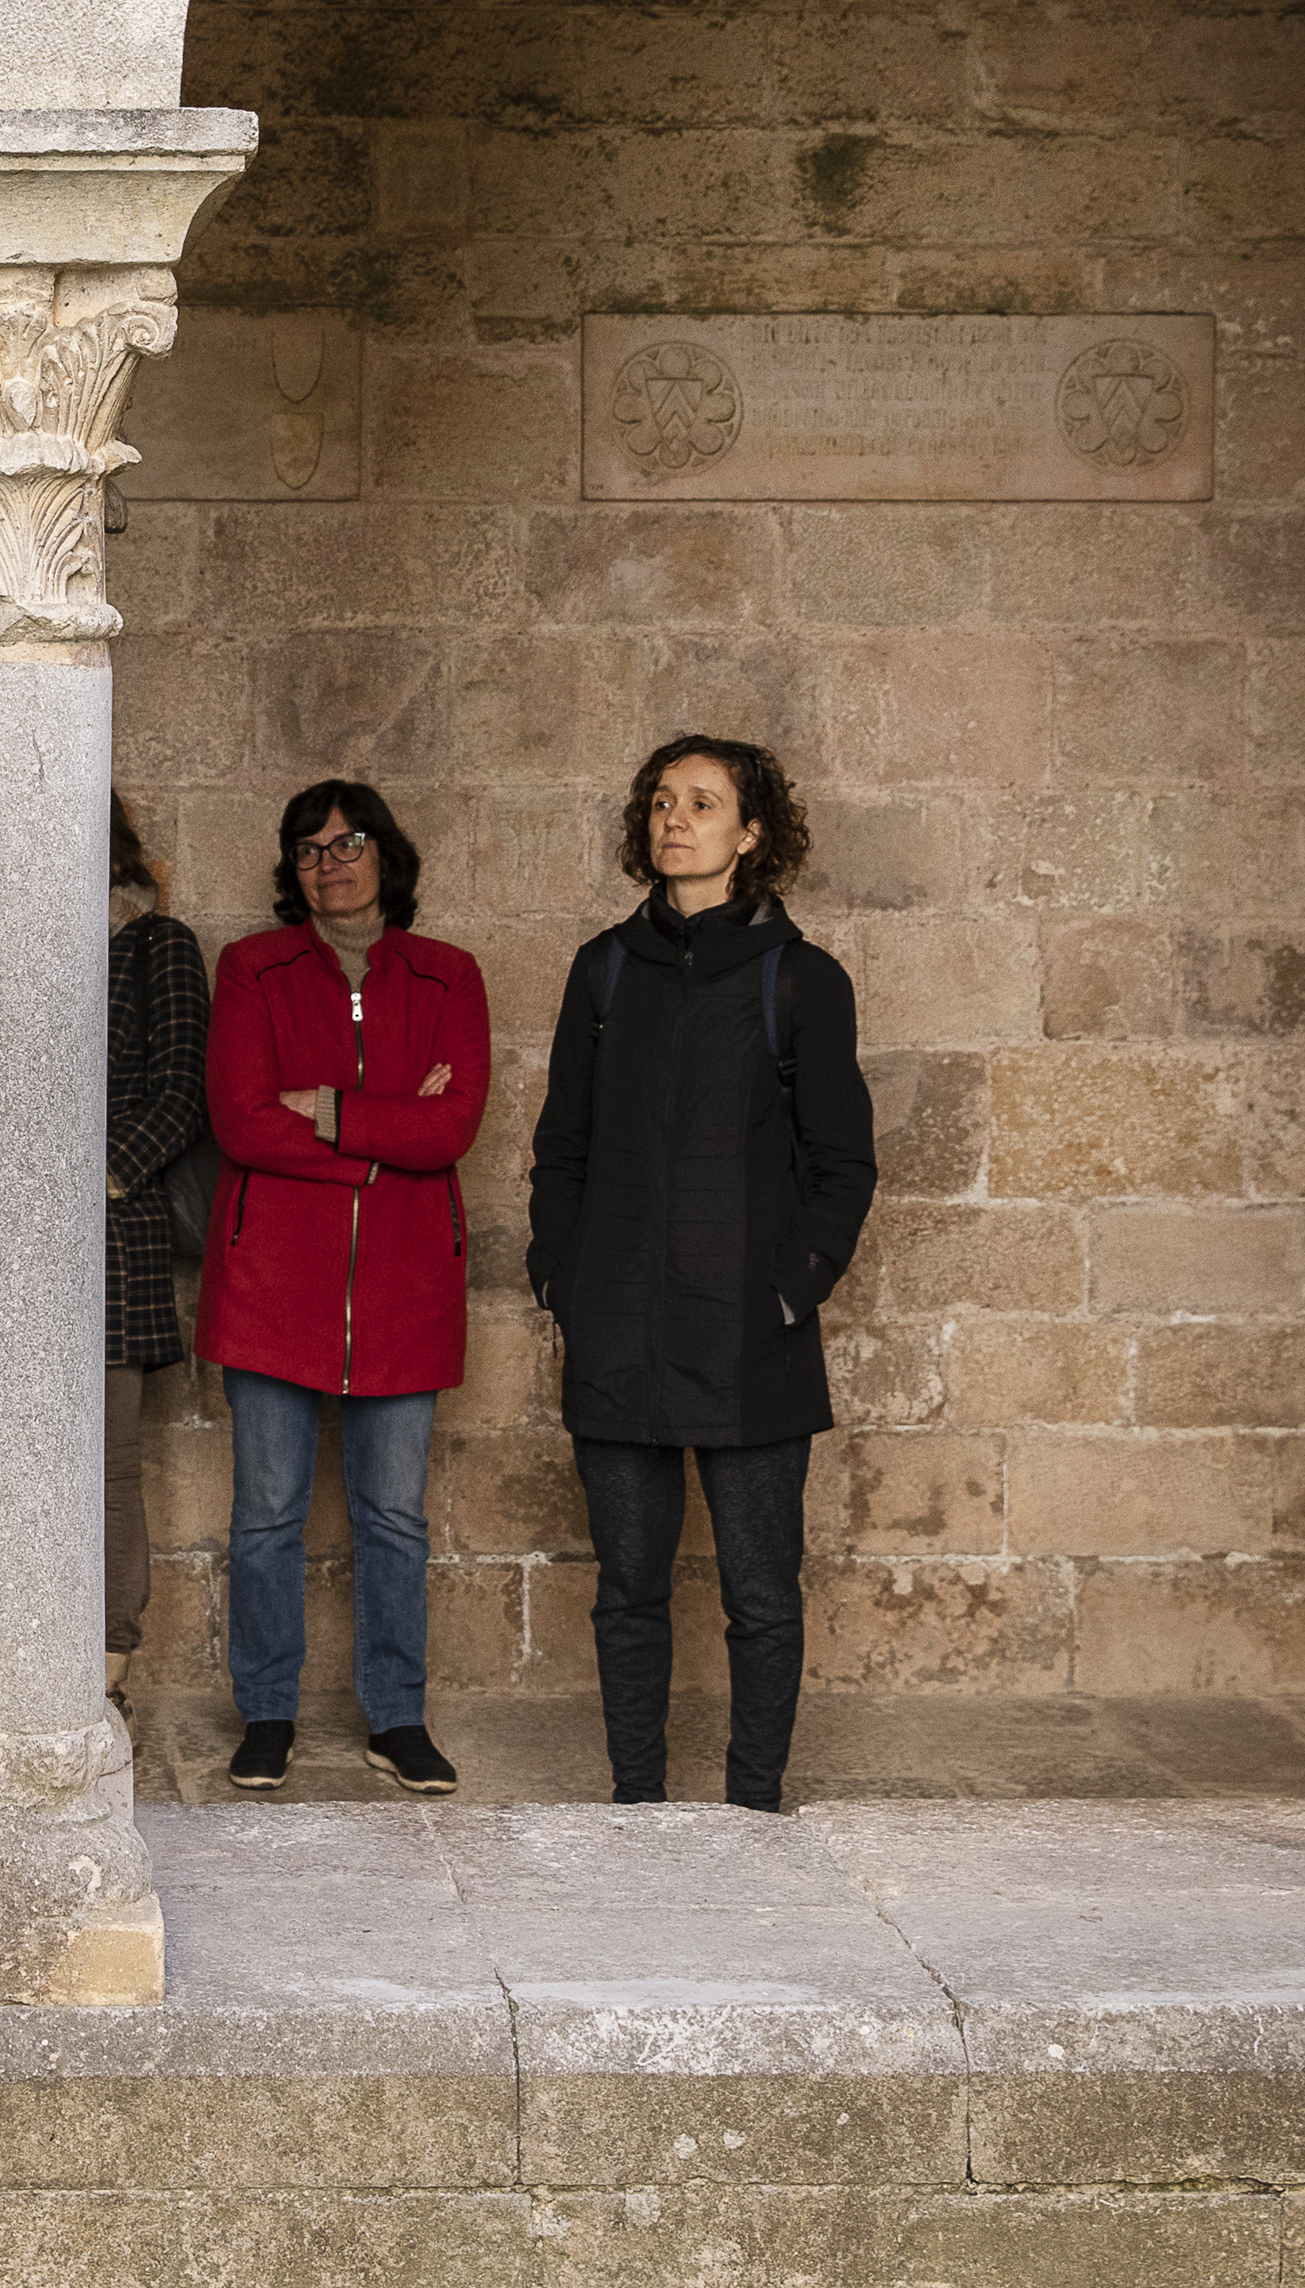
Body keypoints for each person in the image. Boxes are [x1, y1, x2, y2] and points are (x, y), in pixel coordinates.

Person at [526, 732, 879, 1813]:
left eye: (704, 803)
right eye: (662, 802)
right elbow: (564, 1148)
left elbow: (843, 1162)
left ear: (752, 833)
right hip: (620, 1332)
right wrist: (563, 1281)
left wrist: (790, 1286)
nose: (674, 819)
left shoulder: (802, 980)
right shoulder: (602, 971)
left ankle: (751, 1809)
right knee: (627, 1590)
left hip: (747, 1336)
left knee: (761, 1595)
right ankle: (637, 1806)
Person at [197, 779, 491, 1797]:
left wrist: (325, 1110)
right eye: (310, 847)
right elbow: (239, 1121)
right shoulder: (251, 969)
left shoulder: (449, 977)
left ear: (385, 851)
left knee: (393, 1515)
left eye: (348, 841)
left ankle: (396, 1717)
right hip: (272, 1280)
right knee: (268, 1512)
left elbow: (453, 1129)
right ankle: (267, 1711)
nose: (330, 860)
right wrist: (380, 1138)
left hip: (406, 1286)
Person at [101, 797, 212, 1707]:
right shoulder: (5, 941)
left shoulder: (155, 944)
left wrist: (99, 1179)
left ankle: (106, 1668)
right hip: (7, 1250)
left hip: (111, 1235)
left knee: (106, 1464)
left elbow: (182, 1090)